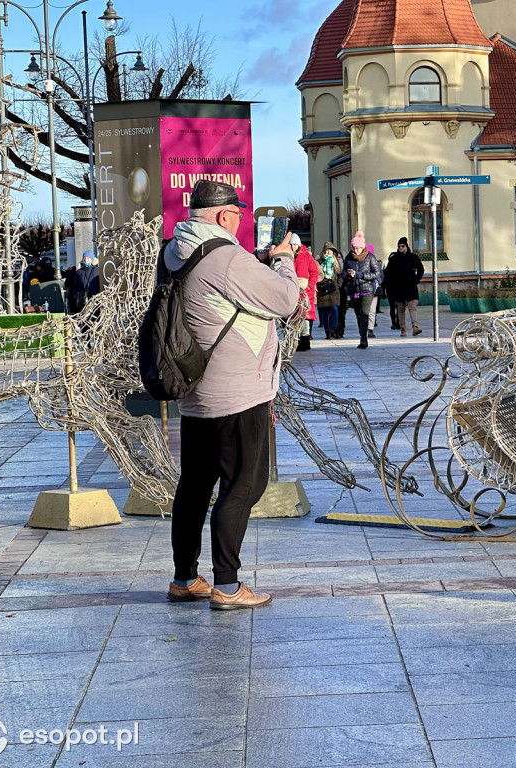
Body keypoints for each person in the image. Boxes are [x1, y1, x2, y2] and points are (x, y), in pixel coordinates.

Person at [165, 179, 299, 610]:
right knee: (243, 483)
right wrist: (282, 261)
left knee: (195, 485)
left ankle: (185, 578)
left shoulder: (173, 251)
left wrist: (255, 264)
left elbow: (221, 296)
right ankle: (227, 585)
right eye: (238, 216)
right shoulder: (224, 257)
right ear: (223, 217)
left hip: (193, 387)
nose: (240, 223)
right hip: (237, 391)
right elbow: (285, 300)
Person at [342, 230, 382, 349]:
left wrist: (360, 275)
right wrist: (348, 274)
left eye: (358, 248)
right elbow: (343, 273)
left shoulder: (370, 257)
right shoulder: (349, 257)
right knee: (358, 315)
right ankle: (363, 335)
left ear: (362, 247)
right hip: (354, 289)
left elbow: (377, 273)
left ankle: (363, 338)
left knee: (364, 313)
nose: (356, 250)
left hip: (367, 289)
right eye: (354, 248)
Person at [383, 236, 424, 337]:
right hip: (399, 288)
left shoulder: (413, 257)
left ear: (406, 246)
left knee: (412, 306)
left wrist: (415, 279)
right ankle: (403, 328)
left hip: (411, 286)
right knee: (401, 308)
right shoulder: (394, 259)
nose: (401, 248)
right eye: (399, 246)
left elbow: (421, 269)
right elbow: (388, 273)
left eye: (402, 246)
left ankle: (415, 327)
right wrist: (394, 283)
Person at [290, 237, 318, 351]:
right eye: (291, 245)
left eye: (295, 245)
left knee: (305, 315)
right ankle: (295, 341)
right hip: (293, 289)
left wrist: (310, 285)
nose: (293, 247)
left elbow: (314, 272)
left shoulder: (307, 256)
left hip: (305, 290)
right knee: (294, 316)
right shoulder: (288, 257)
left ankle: (305, 341)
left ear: (299, 245)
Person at [316, 242, 343, 339]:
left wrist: (338, 284)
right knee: (324, 310)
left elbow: (340, 274)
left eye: (330, 250)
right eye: (327, 250)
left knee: (334, 309)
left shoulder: (335, 262)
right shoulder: (319, 262)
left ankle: (334, 329)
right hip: (323, 287)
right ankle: (327, 331)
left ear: (333, 252)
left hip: (333, 288)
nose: (328, 252)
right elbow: (317, 274)